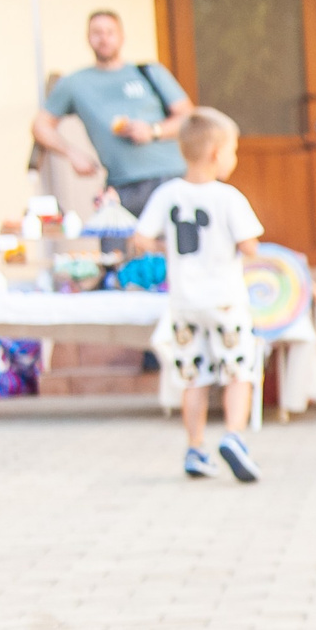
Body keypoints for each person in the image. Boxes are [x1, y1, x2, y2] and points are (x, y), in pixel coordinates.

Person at [129, 109, 262, 482]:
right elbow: (250, 246)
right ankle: (234, 437)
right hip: (225, 299)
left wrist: (165, 244)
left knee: (194, 376)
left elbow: (142, 238)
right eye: (234, 150)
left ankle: (195, 447)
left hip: (184, 302)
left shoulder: (167, 193)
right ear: (218, 153)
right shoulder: (228, 197)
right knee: (238, 371)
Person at [30, 10, 190, 217]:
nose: (104, 38)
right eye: (97, 33)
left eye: (110, 32)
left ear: (122, 37)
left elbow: (189, 118)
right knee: (117, 248)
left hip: (171, 177)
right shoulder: (75, 83)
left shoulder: (148, 71)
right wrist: (72, 154)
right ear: (88, 38)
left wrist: (153, 131)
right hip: (121, 186)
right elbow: (40, 126)